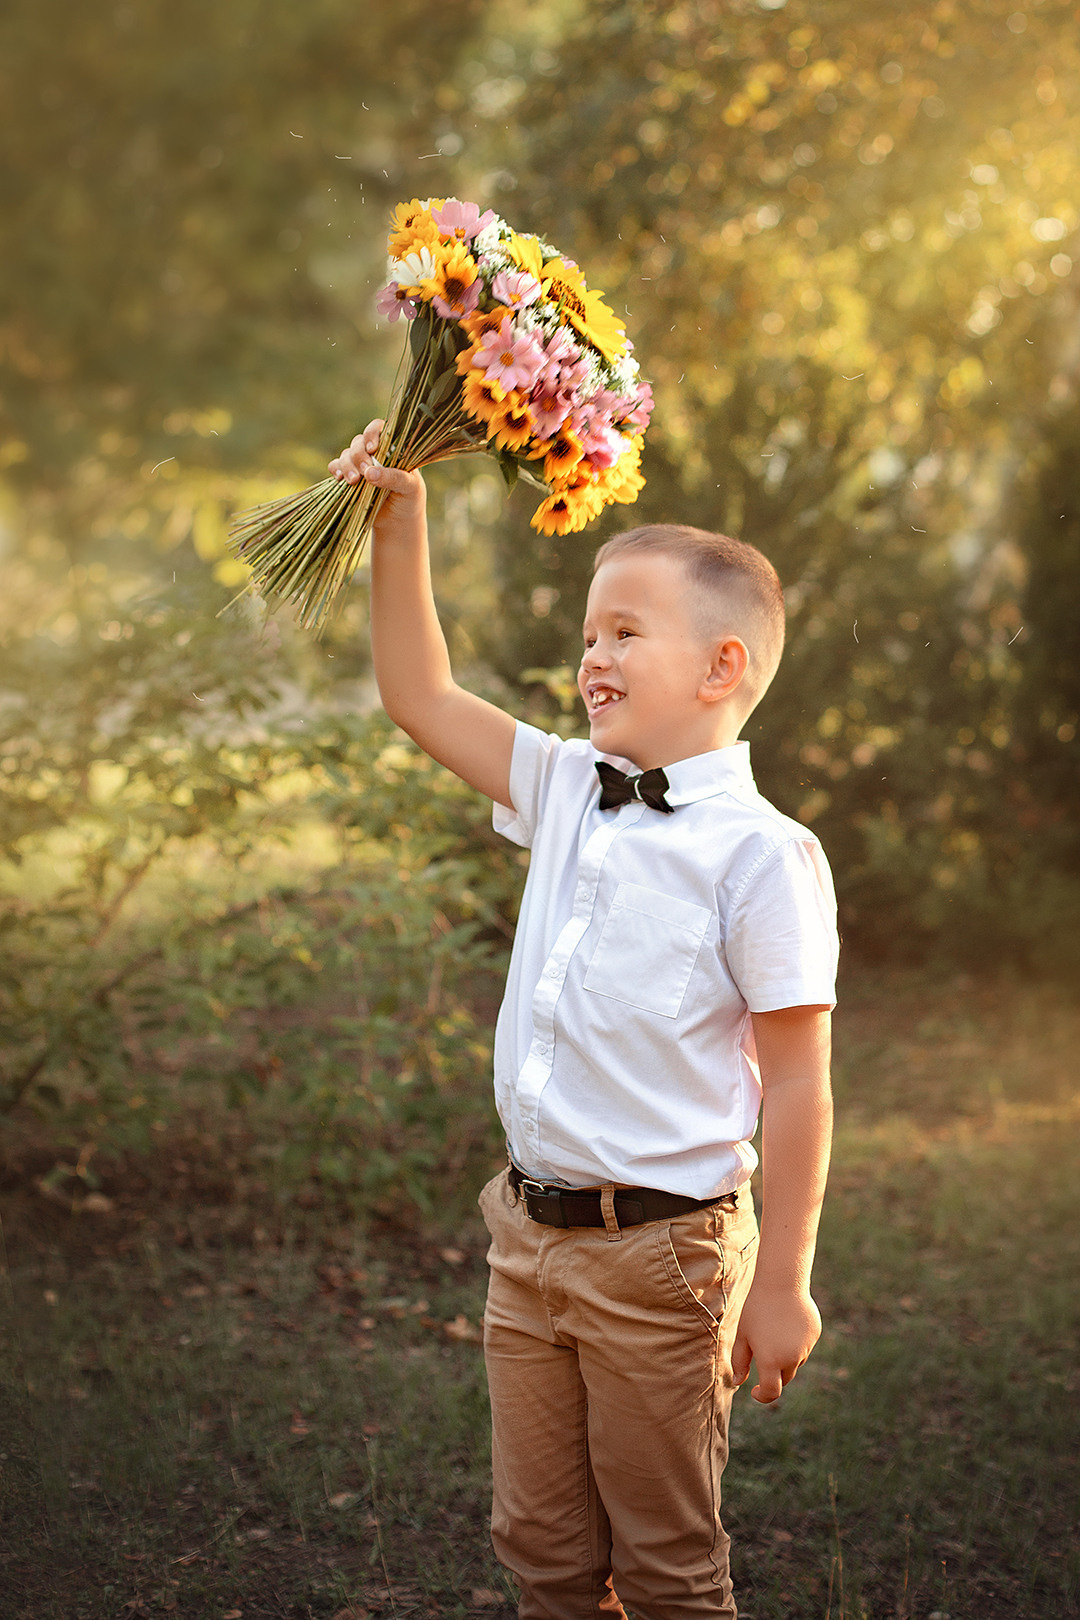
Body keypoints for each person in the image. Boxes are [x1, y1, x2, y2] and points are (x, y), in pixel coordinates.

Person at [330, 421, 839, 1620]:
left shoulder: (764, 856)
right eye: (587, 635)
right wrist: (400, 527)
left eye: (623, 633)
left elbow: (803, 1083)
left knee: (665, 1562)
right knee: (542, 1551)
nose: (591, 657)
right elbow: (419, 695)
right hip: (528, 1237)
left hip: (666, 1258)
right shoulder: (566, 786)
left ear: (721, 668)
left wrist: (788, 1283)